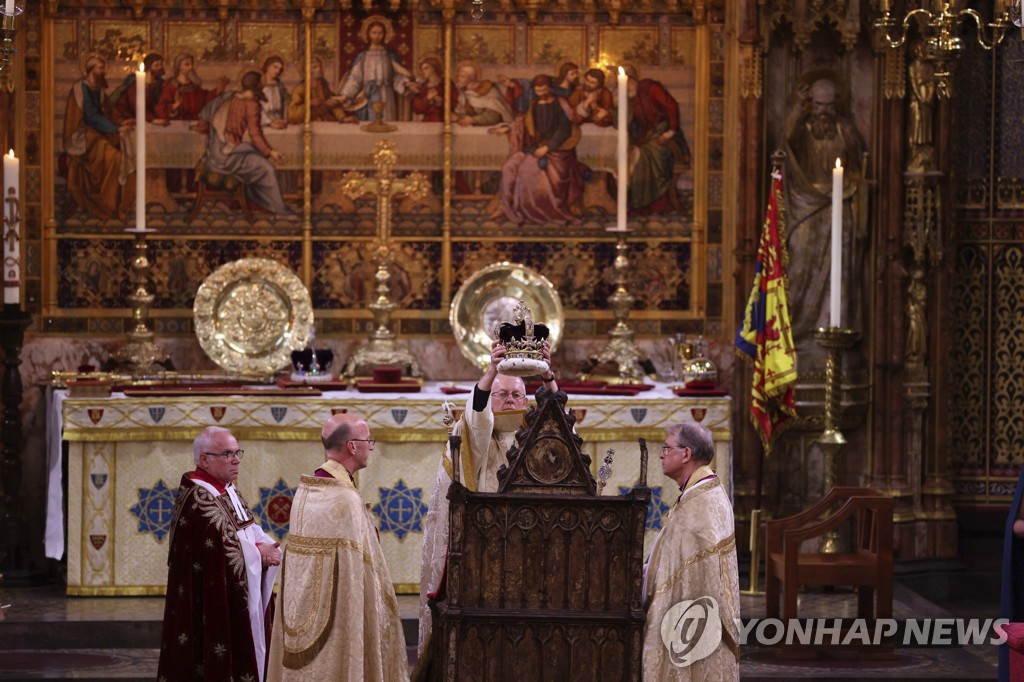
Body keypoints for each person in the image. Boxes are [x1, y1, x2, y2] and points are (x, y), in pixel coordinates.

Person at [418, 339, 559, 656]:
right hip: (485, 544)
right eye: (502, 394)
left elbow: (559, 422)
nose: (511, 401)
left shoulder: (532, 430)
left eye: (517, 395)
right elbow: (479, 418)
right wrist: (493, 369)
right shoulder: (474, 432)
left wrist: (548, 376)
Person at [266, 414, 408, 681]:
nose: (372, 447)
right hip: (338, 620)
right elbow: (362, 572)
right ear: (352, 446)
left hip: (300, 613)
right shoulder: (344, 498)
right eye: (368, 440)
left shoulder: (307, 490)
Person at [157, 426, 282, 682]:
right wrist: (260, 554)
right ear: (204, 459)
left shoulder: (227, 489)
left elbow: (247, 526)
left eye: (237, 453)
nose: (236, 459)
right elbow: (221, 552)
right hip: (210, 601)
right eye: (227, 454)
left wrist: (267, 546)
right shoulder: (199, 498)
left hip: (238, 591)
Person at [642, 422, 740, 681]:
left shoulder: (702, 503)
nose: (662, 454)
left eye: (667, 448)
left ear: (686, 454)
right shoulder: (701, 491)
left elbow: (693, 581)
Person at [783, 74, 866, 353]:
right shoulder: (801, 129)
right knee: (799, 263)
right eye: (818, 106)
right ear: (810, 104)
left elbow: (859, 168)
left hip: (840, 207)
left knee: (839, 271)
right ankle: (796, 333)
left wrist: (852, 186)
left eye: (829, 107)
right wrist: (796, 109)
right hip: (804, 206)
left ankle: (831, 335)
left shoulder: (845, 131)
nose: (824, 113)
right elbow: (784, 143)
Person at [194, 70, 294, 218]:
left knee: (254, 154)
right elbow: (255, 133)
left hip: (213, 155)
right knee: (266, 169)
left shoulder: (228, 96)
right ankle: (277, 210)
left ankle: (245, 204)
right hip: (228, 157)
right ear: (258, 85)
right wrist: (270, 152)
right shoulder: (251, 104)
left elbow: (204, 117)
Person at [491, 74, 586, 224]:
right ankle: (506, 206)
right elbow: (524, 123)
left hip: (557, 150)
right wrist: (508, 128)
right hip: (535, 147)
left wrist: (547, 147)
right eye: (538, 90)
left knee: (525, 171)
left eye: (543, 90)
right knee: (508, 167)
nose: (540, 93)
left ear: (550, 88)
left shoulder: (561, 104)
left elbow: (564, 130)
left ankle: (531, 211)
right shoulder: (534, 105)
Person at [62, 54, 135, 220]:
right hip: (82, 136)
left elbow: (109, 110)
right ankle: (107, 203)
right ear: (91, 70)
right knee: (116, 158)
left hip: (97, 133)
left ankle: (114, 201)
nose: (103, 72)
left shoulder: (98, 89)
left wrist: (123, 121)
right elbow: (91, 116)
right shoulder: (81, 88)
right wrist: (116, 128)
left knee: (124, 156)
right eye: (100, 69)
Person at [623, 63, 691, 214]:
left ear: (631, 78)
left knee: (646, 155)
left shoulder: (650, 88)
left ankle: (655, 203)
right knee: (631, 155)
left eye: (624, 81)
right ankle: (640, 202)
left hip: (664, 131)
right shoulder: (627, 96)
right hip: (646, 135)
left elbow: (671, 105)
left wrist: (671, 131)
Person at [337, 16, 413, 122]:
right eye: (374, 32)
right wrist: (345, 95)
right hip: (367, 95)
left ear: (385, 34)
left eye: (380, 33)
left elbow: (397, 76)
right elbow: (355, 78)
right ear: (368, 34)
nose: (377, 36)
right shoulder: (363, 55)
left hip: (386, 95)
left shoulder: (389, 55)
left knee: (387, 122)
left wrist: (404, 83)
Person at [154, 52, 229, 121]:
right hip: (177, 125)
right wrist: (175, 105)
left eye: (192, 64)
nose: (191, 67)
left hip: (194, 122)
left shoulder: (193, 86)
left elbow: (205, 98)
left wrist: (219, 88)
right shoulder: (171, 86)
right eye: (187, 64)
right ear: (179, 66)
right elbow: (159, 109)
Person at [286, 57, 350, 124]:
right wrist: (309, 103)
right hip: (310, 123)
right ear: (307, 70)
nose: (319, 69)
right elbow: (292, 115)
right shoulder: (300, 89)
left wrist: (342, 117)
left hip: (326, 121)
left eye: (320, 66)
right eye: (315, 67)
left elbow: (333, 104)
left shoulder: (323, 85)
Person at [112, 52, 169, 125]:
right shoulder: (137, 83)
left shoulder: (159, 83)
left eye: (161, 65)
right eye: (156, 65)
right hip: (126, 114)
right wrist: (152, 120)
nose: (160, 67)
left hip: (143, 116)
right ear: (149, 67)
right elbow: (136, 105)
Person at [454, 61, 515, 127]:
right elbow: (462, 113)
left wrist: (472, 120)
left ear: (471, 78)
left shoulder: (489, 90)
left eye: (462, 76)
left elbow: (494, 116)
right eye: (458, 76)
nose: (458, 79)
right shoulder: (463, 93)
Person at [409, 56, 450, 122]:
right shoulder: (423, 87)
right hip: (428, 121)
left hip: (444, 121)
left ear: (433, 68)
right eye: (422, 69)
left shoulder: (446, 84)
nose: (423, 71)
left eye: (426, 68)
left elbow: (455, 102)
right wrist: (427, 98)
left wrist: (441, 101)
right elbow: (416, 108)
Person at [260, 55, 290, 130]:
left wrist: (284, 119)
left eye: (280, 69)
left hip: (279, 120)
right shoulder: (259, 84)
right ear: (267, 66)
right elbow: (256, 106)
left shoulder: (280, 85)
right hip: (263, 121)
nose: (277, 71)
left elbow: (286, 102)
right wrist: (269, 122)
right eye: (275, 67)